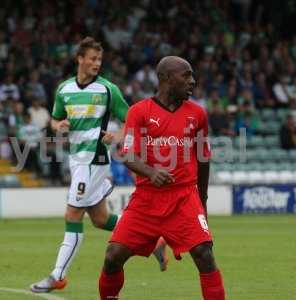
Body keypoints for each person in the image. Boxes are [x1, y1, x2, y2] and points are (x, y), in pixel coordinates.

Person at [30, 37, 168, 294]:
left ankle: (57, 275)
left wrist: (116, 136)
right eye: (92, 59)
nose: (96, 64)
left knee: (72, 215)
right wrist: (57, 126)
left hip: (95, 159)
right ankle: (154, 238)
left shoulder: (107, 89)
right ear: (79, 59)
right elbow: (55, 119)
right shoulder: (64, 90)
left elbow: (132, 120)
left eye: (99, 60)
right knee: (100, 219)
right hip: (77, 159)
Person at [98, 56, 226, 300]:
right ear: (166, 79)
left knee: (204, 254)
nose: (193, 81)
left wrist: (203, 200)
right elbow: (126, 153)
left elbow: (203, 159)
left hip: (184, 198)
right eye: (186, 75)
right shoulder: (139, 112)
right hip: (147, 200)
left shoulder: (197, 114)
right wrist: (150, 172)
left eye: (192, 76)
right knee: (113, 257)